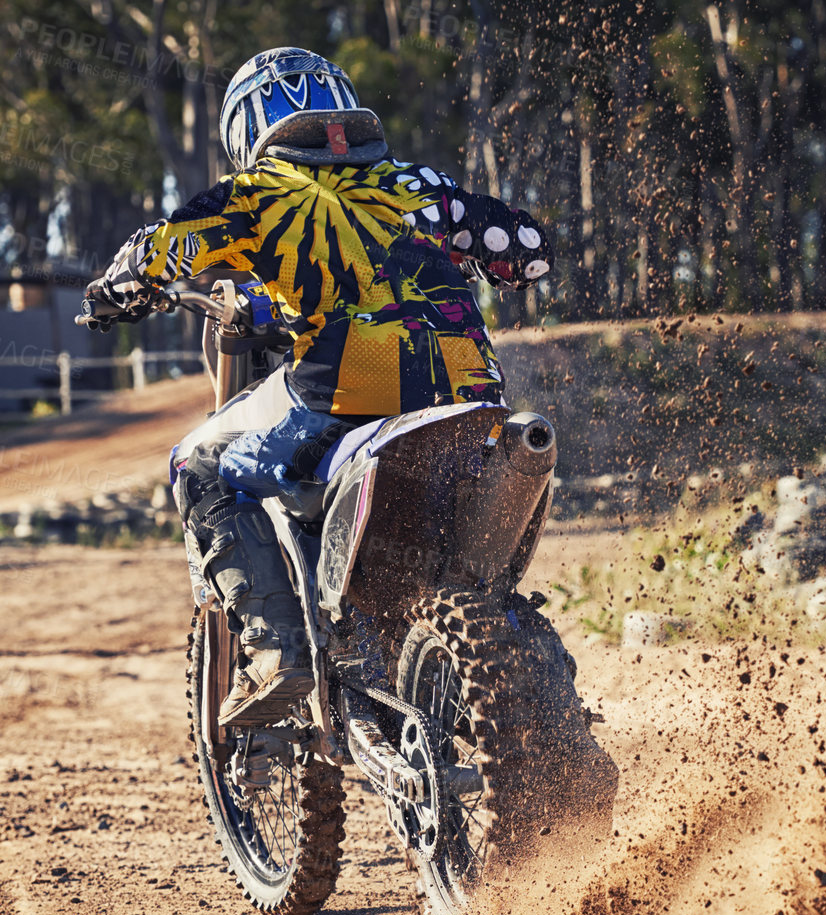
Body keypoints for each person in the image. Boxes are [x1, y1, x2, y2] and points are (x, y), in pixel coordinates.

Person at [85, 47, 552, 727]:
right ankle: (554, 734)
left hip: (352, 394)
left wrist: (112, 292)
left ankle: (277, 651)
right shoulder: (412, 182)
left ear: (247, 130)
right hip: (474, 396)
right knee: (488, 580)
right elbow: (528, 250)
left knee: (204, 465)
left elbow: (156, 252)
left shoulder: (254, 197)